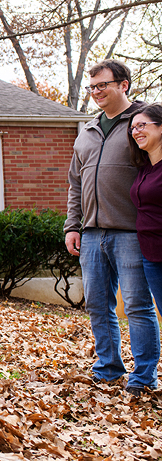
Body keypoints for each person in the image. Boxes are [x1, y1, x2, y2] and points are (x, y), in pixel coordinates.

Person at [64, 59, 159, 396]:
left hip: (132, 232)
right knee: (97, 304)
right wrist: (71, 226)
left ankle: (143, 376)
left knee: (137, 306)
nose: (96, 92)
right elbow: (75, 183)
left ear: (124, 85)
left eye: (102, 85)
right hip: (90, 234)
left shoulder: (143, 123)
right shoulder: (87, 130)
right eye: (92, 87)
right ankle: (107, 368)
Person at [128, 102, 162, 322]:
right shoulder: (145, 169)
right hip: (151, 254)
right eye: (133, 128)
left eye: (141, 125)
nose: (136, 132)